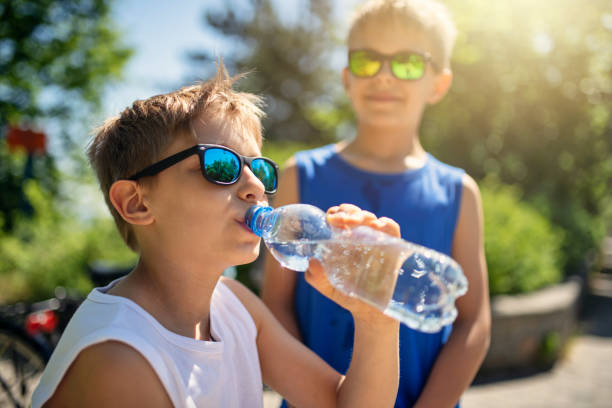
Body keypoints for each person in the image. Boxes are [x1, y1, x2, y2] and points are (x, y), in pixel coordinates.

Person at [31, 64, 402, 408]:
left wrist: (376, 319)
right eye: (220, 165)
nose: (256, 186)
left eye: (261, 169)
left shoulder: (234, 306)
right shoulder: (121, 357)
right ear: (137, 203)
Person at [261, 0, 491, 407]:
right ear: (347, 78)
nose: (384, 75)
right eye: (368, 61)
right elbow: (276, 303)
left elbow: (474, 320)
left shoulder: (459, 192)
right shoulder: (301, 175)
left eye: (407, 63)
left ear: (438, 83)